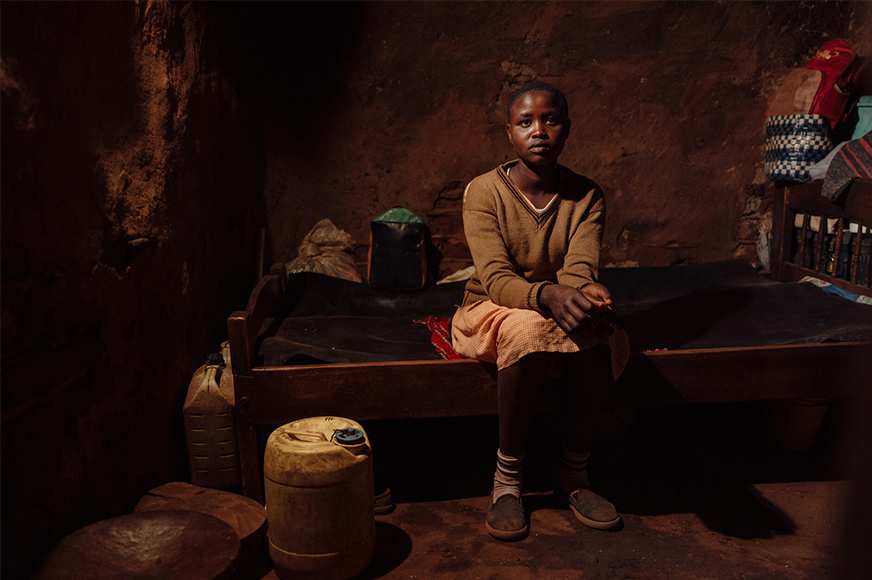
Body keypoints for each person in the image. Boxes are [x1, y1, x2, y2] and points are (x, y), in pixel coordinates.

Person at [451, 80, 630, 541]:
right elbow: (496, 277)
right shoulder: (483, 191)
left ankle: (574, 474)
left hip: (553, 302)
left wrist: (589, 292)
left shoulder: (586, 195)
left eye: (550, 120)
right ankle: (507, 481)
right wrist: (550, 296)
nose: (539, 131)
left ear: (566, 129)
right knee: (528, 331)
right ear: (509, 132)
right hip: (491, 305)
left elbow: (579, 268)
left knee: (601, 332)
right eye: (525, 122)